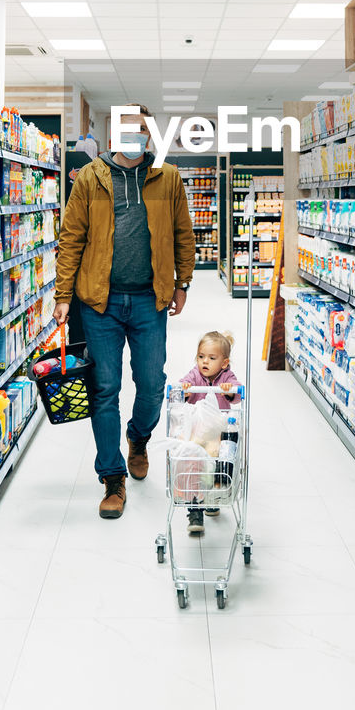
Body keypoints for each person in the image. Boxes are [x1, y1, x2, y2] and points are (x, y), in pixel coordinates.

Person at [52, 105, 195, 519]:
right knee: (105, 389)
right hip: (100, 301)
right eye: (126, 130)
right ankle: (112, 478)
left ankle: (138, 437)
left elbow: (183, 232)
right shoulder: (91, 179)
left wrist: (182, 282)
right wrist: (64, 295)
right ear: (113, 134)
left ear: (150, 137)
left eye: (141, 131)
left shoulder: (167, 178)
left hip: (151, 300)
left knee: (152, 383)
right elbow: (71, 237)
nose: (134, 138)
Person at [180, 330, 241, 536]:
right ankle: (195, 509)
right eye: (201, 356)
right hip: (199, 434)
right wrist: (185, 390)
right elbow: (182, 385)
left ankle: (213, 497)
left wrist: (229, 390)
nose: (204, 362)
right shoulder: (195, 374)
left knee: (218, 465)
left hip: (220, 431)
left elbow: (237, 391)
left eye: (211, 358)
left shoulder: (227, 376)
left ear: (224, 363)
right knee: (195, 468)